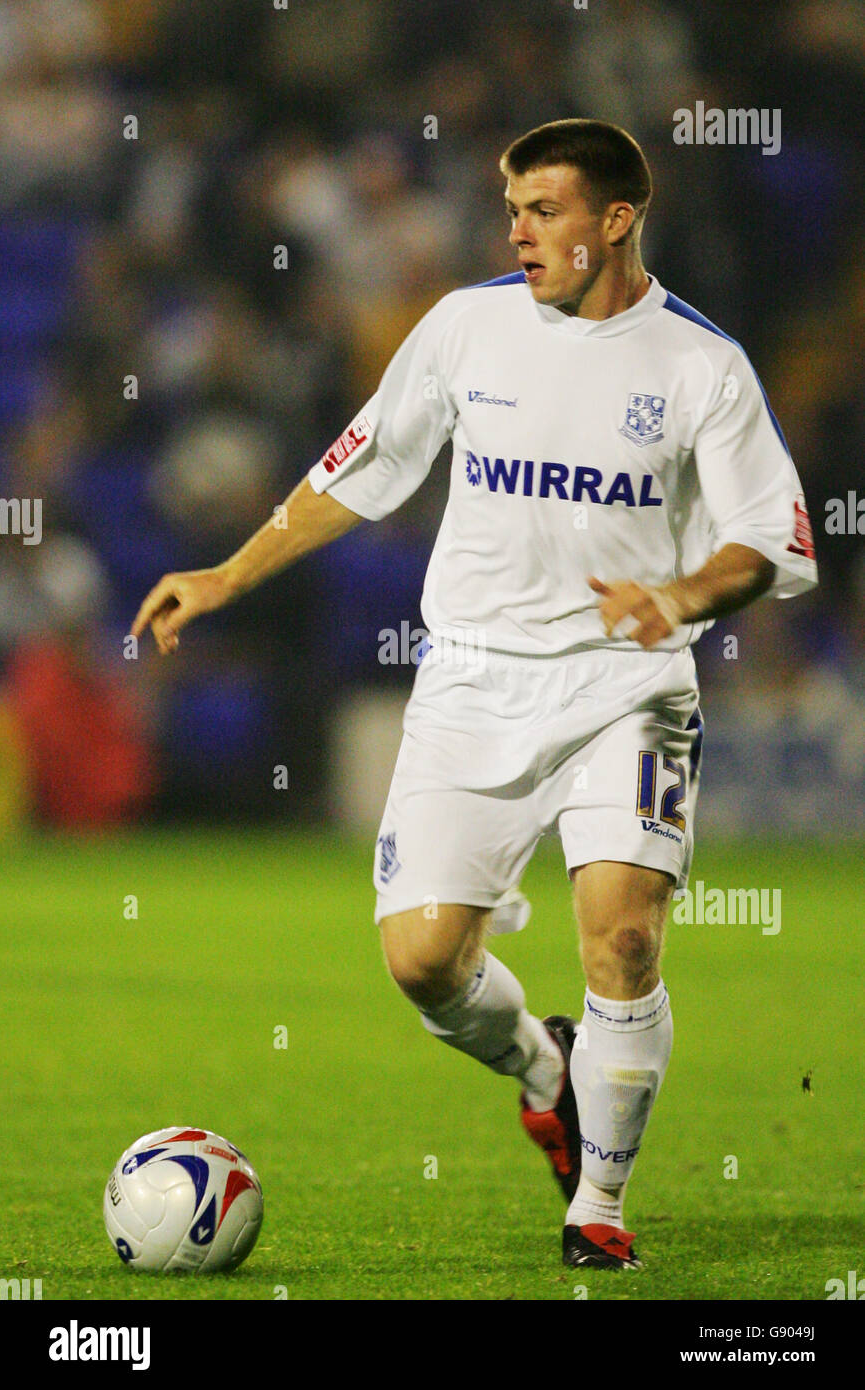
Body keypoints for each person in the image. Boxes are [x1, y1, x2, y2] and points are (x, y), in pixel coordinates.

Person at [132, 119, 818, 1270]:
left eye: (542, 210)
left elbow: (770, 538)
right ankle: (546, 1072)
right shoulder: (465, 327)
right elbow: (357, 470)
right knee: (420, 959)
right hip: (467, 681)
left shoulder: (701, 365)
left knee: (626, 942)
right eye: (510, 209)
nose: (517, 231)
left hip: (625, 685)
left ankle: (595, 1204)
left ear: (614, 219)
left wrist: (683, 593)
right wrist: (225, 574)